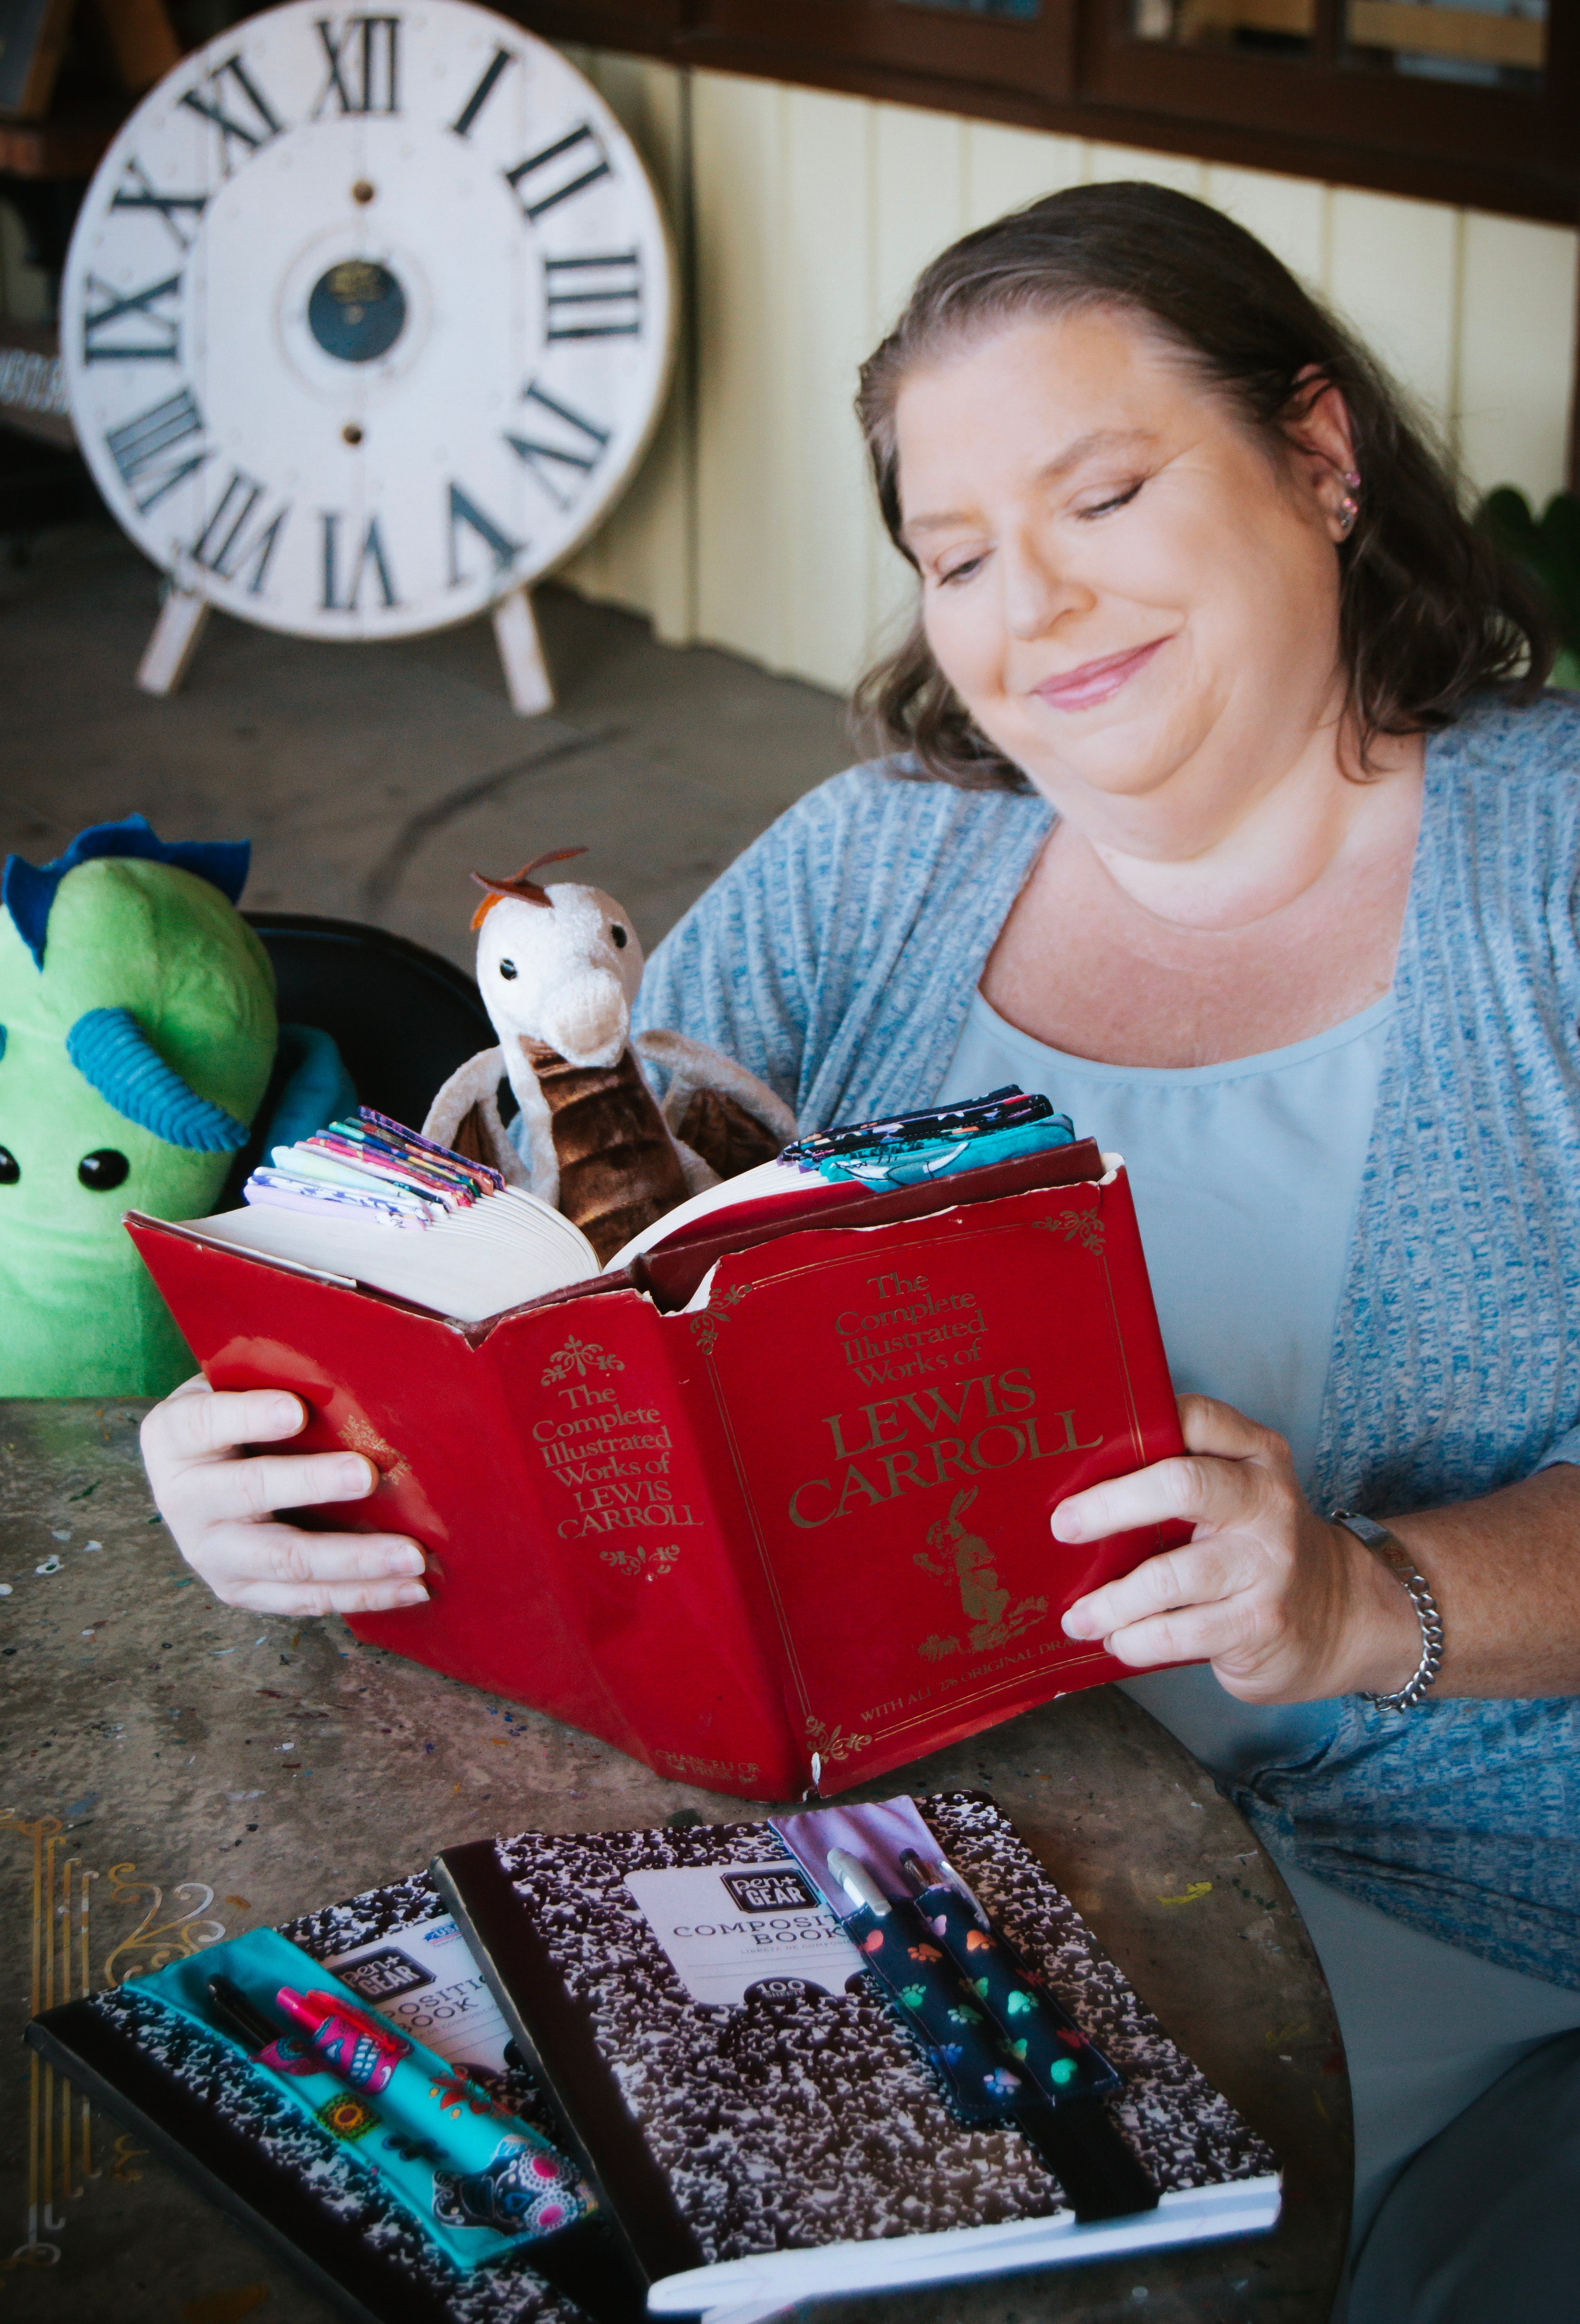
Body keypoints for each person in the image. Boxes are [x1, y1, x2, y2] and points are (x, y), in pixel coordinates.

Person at [141, 183, 1580, 2318]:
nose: (1036, 608)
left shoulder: (1554, 875)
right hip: (873, 1867)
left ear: (1318, 453)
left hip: (1409, 1921)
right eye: (957, 555)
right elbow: (570, 1300)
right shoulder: (878, 859)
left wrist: (1364, 1602)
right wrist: (306, 1453)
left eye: (1104, 494)